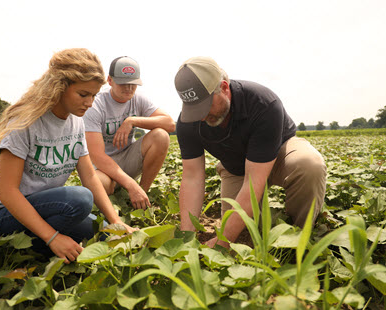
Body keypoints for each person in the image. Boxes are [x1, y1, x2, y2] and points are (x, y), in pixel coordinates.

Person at [0, 48, 135, 263]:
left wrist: (116, 221)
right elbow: (7, 193)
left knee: (105, 234)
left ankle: (37, 245)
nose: (90, 103)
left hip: (46, 210)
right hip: (3, 216)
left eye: (93, 95)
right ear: (59, 87)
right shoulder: (24, 122)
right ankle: (30, 245)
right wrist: (53, 237)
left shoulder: (76, 122)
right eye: (83, 94)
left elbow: (90, 177)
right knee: (80, 200)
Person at [174, 56, 327, 248]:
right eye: (195, 109)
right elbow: (192, 177)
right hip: (236, 167)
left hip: (279, 153)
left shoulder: (262, 103)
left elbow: (253, 183)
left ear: (223, 87)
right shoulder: (189, 122)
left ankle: (298, 239)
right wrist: (186, 240)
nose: (202, 115)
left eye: (205, 106)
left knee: (309, 165)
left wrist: (222, 241)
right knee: (241, 236)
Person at [83, 56, 175, 210]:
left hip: (127, 158)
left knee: (161, 135)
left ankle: (141, 197)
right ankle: (122, 190)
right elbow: (98, 157)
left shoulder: (138, 99)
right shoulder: (96, 105)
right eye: (123, 83)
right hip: (103, 167)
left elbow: (170, 124)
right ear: (110, 80)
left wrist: (132, 121)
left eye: (133, 84)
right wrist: (131, 184)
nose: (129, 88)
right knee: (97, 186)